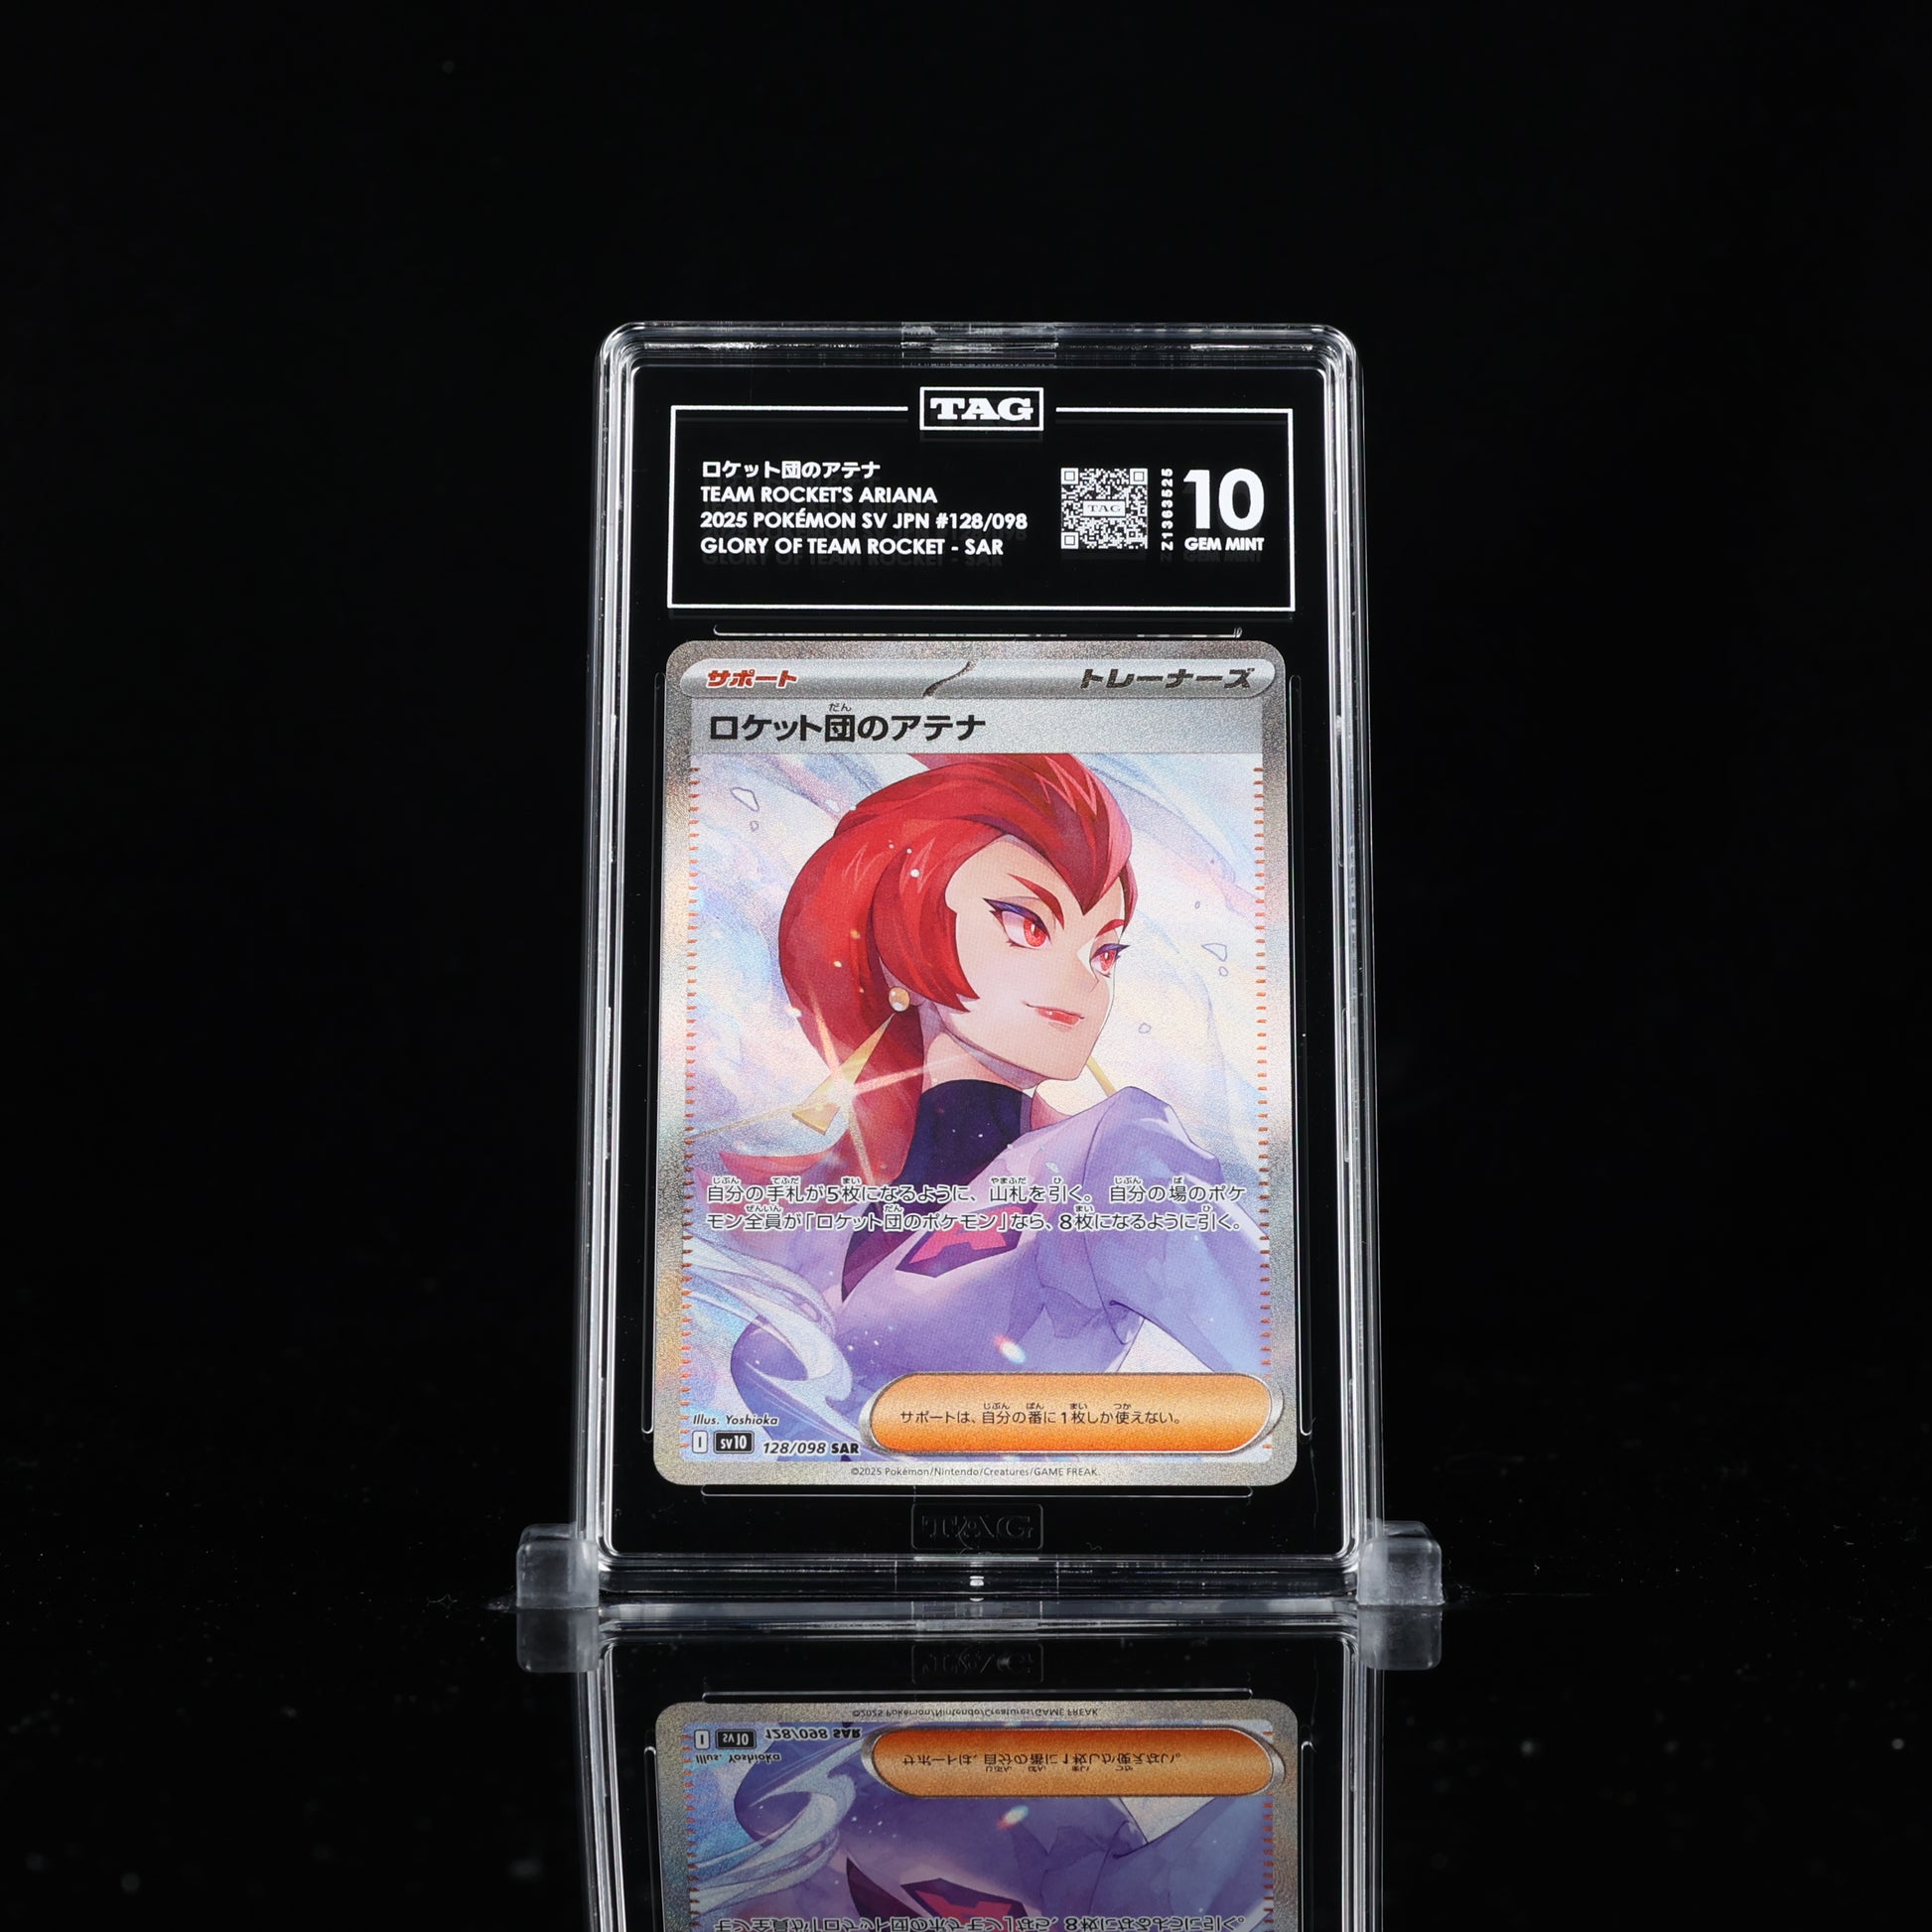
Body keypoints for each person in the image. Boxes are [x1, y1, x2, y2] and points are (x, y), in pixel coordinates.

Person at [718, 754, 1264, 1437]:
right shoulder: (826, 1222)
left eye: (1104, 953)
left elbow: (1295, 1369)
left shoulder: (1115, 1158)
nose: (1084, 980)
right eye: (1028, 925)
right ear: (898, 943)